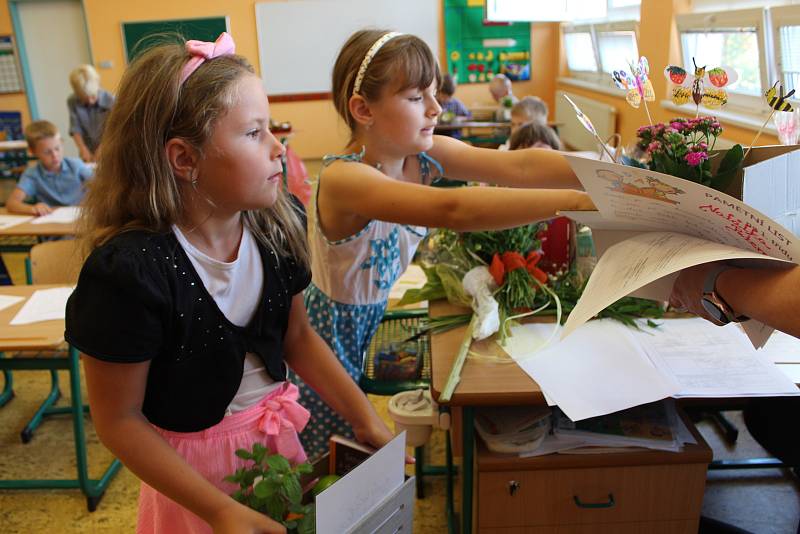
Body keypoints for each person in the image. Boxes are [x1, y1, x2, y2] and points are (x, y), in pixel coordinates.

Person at [64, 33, 395, 534]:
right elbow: (119, 420)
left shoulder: (278, 226)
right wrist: (218, 510)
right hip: (192, 484)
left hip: (275, 450)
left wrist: (362, 413)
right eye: (254, 133)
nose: (279, 147)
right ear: (185, 159)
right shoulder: (130, 274)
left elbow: (298, 339)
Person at [299, 29, 594, 458]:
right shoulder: (346, 179)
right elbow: (454, 209)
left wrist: (605, 171)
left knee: (352, 458)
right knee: (323, 462)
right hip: (324, 343)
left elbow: (521, 165)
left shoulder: (423, 155)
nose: (437, 109)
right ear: (363, 109)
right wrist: (579, 202)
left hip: (367, 325)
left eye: (434, 93)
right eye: (417, 97)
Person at [5, 120, 93, 216]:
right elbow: (12, 203)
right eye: (47, 152)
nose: (55, 155)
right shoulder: (32, 174)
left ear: (62, 143)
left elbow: (102, 186)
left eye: (57, 148)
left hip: (82, 216)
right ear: (32, 151)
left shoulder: (76, 165)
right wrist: (32, 208)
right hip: (52, 221)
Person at [67, 64, 114, 162]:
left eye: (92, 96)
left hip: (110, 147)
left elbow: (113, 130)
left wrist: (102, 148)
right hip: (88, 150)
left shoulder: (111, 100)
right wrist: (82, 149)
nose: (90, 101)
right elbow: (75, 128)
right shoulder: (72, 101)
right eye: (84, 97)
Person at [436, 73, 471, 139]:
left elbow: (468, 116)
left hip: (453, 135)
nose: (445, 99)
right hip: (437, 134)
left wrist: (458, 119)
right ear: (437, 92)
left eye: (448, 97)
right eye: (443, 96)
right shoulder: (434, 103)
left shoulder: (456, 103)